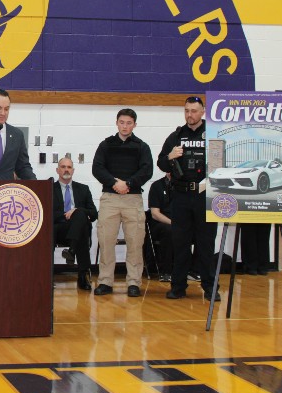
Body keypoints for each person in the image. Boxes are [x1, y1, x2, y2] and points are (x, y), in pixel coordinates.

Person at [157, 96, 219, 300]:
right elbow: (161, 164)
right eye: (186, 111)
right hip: (182, 196)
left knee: (206, 244)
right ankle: (178, 286)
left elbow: (224, 162)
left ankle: (210, 287)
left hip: (205, 196)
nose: (190, 115)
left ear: (202, 112)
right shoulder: (176, 136)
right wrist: (170, 157)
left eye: (194, 110)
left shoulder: (213, 134)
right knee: (180, 243)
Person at [91, 108, 153, 297]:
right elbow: (97, 168)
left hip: (133, 199)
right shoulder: (106, 145)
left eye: (129, 123)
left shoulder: (142, 146)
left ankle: (133, 282)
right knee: (106, 241)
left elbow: (147, 170)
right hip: (110, 199)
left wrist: (128, 184)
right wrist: (114, 183)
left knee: (135, 243)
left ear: (134, 125)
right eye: (122, 122)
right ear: (116, 123)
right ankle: (105, 282)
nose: (125, 126)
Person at [52, 157, 98, 291]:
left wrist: (76, 211)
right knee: (80, 223)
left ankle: (81, 272)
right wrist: (67, 214)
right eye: (63, 167)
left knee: (81, 218)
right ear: (57, 170)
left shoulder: (83, 189)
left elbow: (94, 214)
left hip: (79, 230)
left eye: (69, 167)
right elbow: (48, 214)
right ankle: (75, 267)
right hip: (59, 228)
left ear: (73, 170)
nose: (66, 169)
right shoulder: (50, 189)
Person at [148, 173, 174, 282]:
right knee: (170, 230)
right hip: (162, 222)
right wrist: (173, 223)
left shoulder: (186, 186)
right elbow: (155, 214)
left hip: (182, 223)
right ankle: (166, 271)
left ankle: (194, 270)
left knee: (201, 228)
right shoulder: (157, 186)